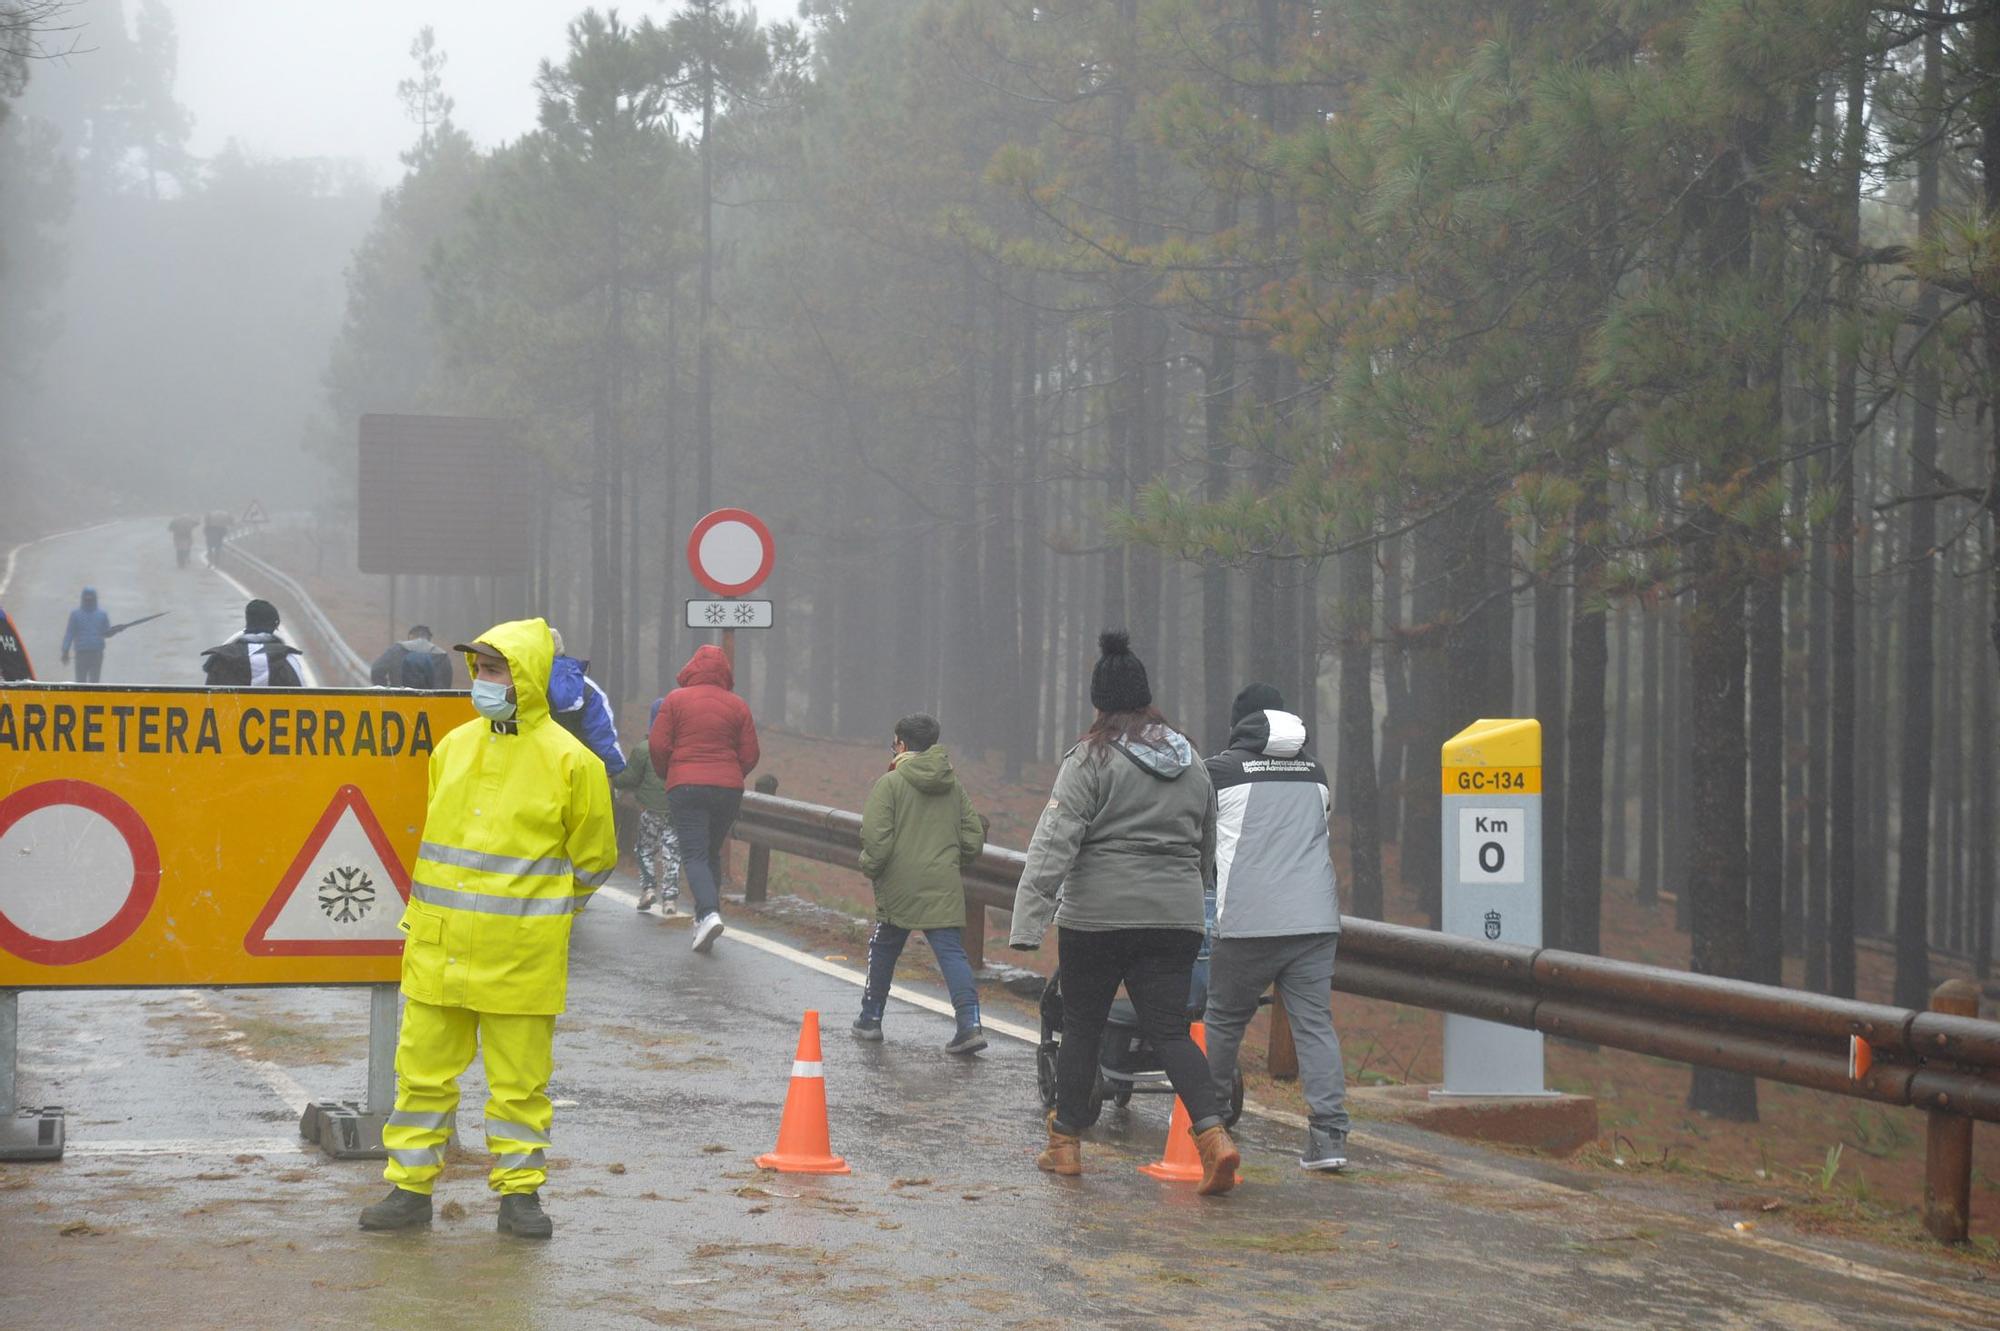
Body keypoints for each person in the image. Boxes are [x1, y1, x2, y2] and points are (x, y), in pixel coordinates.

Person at [360, 618, 618, 1238]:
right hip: (439, 947)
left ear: (527, 676)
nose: (483, 679)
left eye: (496, 668)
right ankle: (409, 1190)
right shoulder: (452, 748)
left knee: (520, 1088)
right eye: (478, 668)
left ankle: (520, 1198)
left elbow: (595, 858)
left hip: (521, 957)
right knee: (419, 1077)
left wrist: (549, 910)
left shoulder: (572, 762)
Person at [1011, 630, 1239, 1195]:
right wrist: (1194, 897)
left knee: (1083, 1026)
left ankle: (1065, 1145)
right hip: (1175, 916)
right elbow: (1208, 846)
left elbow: (1054, 841)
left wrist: (1029, 921)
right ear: (1146, 698)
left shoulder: (1091, 757)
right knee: (1170, 1032)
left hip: (1099, 917)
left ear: (1100, 703)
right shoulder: (1192, 762)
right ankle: (1213, 1139)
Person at [1203, 683, 1351, 1172]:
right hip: (1313, 922)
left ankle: (1211, 1125)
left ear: (1238, 724)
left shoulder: (1221, 770)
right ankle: (1329, 1138)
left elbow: (1201, 842)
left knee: (1224, 1019)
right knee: (1314, 1026)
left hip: (1247, 920)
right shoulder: (1317, 771)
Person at [852, 713, 988, 1054]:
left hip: (899, 884)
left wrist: (869, 866)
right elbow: (973, 836)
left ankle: (870, 1019)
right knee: (953, 954)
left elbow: (876, 841)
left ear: (901, 743)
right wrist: (950, 861)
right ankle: (969, 1025)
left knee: (884, 947)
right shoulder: (952, 784)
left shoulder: (890, 784)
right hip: (942, 882)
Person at [648, 644, 759, 955]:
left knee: (694, 854)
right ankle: (703, 921)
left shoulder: (675, 700)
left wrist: (667, 773)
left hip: (686, 785)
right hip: (728, 789)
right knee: (710, 853)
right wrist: (732, 774)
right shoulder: (738, 705)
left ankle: (709, 914)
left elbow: (658, 744)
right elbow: (750, 754)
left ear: (692, 668)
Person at [613, 698, 682, 914]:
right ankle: (670, 899)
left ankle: (649, 889)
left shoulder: (644, 748)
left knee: (644, 849)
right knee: (672, 852)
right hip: (675, 810)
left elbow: (630, 778)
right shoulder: (681, 750)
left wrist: (615, 778)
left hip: (650, 810)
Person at [547, 629, 626, 776]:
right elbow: (601, 736)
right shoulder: (586, 689)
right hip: (578, 772)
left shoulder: (514, 686)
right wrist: (618, 769)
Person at [200, 599, 306, 686]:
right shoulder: (288, 660)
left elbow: (207, 701)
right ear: (274, 625)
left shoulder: (221, 660)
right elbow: (303, 699)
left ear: (248, 621)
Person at [371, 624, 454, 689]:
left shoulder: (397, 649)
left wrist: (387, 691)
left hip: (399, 701)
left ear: (411, 636)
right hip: (431, 704)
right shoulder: (441, 655)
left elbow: (376, 670)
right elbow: (446, 684)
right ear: (429, 638)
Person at [60, 587, 113, 682]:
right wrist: (65, 650)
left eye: (90, 600)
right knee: (91, 682)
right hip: (91, 653)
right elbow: (107, 633)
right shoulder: (102, 614)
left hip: (87, 653)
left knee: (84, 683)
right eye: (87, 600)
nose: (89, 602)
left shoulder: (75, 614)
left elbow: (69, 634)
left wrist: (65, 651)